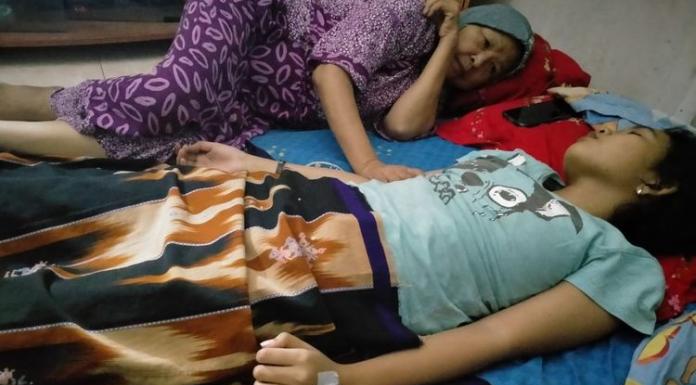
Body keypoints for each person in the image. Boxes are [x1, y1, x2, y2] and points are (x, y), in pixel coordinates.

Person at [0, 126, 694, 385]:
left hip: (318, 274)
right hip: (278, 203)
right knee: (53, 200)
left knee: (85, 313)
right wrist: (257, 165)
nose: (606, 125)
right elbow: (381, 187)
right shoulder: (512, 163)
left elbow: (496, 338)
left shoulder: (617, 261)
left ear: (657, 183)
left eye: (631, 131)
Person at [0, 1, 534, 182]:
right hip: (254, 19)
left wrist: (449, 46)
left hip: (250, 94)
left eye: (493, 68)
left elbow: (402, 125)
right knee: (178, 96)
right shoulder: (407, 15)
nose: (479, 62)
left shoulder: (427, 73)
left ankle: (13, 113)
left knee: (173, 141)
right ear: (469, 18)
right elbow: (331, 71)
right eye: (483, 42)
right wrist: (367, 165)